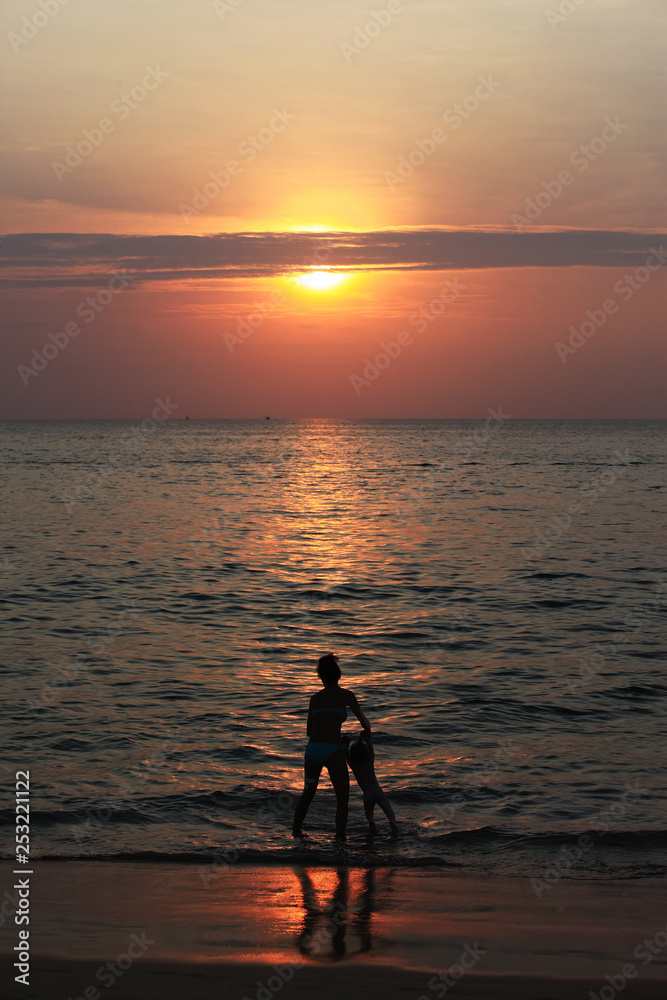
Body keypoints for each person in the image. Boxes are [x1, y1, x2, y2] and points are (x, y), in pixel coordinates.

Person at [293, 653, 371, 840]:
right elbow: (365, 723)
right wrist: (362, 736)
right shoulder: (347, 695)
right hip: (333, 751)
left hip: (312, 751)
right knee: (342, 798)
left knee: (308, 794)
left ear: (321, 677)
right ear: (339, 675)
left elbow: (309, 732)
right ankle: (340, 839)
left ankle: (295, 831)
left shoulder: (314, 698)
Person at [344, 730, 398, 835]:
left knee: (369, 812)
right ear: (366, 754)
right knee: (388, 810)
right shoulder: (370, 762)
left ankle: (372, 823)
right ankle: (392, 823)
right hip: (377, 791)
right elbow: (371, 748)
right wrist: (366, 738)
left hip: (367, 794)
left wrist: (345, 745)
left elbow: (347, 757)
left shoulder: (355, 767)